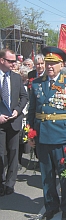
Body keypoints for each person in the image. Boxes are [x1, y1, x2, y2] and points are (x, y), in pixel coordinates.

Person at [27, 46, 66, 220]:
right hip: (43, 135)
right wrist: (30, 133)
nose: (49, 66)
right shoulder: (37, 83)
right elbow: (32, 110)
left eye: (53, 63)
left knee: (65, 174)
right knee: (47, 175)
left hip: (62, 135)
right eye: (47, 63)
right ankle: (51, 206)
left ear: (62, 64)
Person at [0, 49, 28, 196]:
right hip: (0, 123)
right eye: (10, 61)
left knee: (13, 153)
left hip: (14, 121)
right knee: (0, 154)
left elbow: (24, 97)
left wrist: (17, 110)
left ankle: (10, 184)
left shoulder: (16, 78)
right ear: (2, 60)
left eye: (14, 61)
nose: (13, 64)